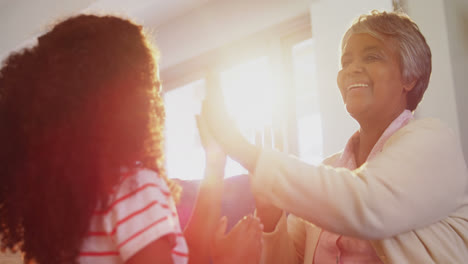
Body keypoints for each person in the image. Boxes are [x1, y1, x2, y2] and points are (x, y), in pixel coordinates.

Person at [202, 10, 468, 263]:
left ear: (409, 77)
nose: (352, 69)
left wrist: (245, 151)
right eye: (346, 61)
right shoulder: (330, 172)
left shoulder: (435, 141)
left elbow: (366, 203)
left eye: (372, 57)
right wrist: (271, 213)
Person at [0, 14, 262, 264]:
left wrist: (214, 161)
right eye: (152, 87)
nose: (158, 103)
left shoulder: (52, 209)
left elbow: (184, 253)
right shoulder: (134, 189)